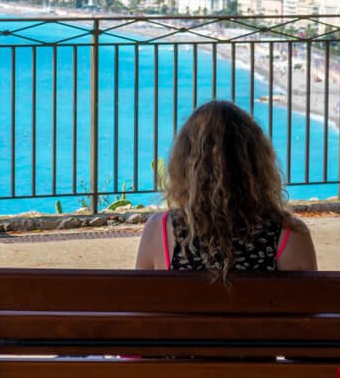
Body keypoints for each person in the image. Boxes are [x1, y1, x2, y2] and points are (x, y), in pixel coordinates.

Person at [136, 100, 317, 277]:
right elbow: (312, 304)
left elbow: (139, 305)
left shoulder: (159, 231)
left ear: (184, 165)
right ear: (257, 163)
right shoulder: (291, 235)